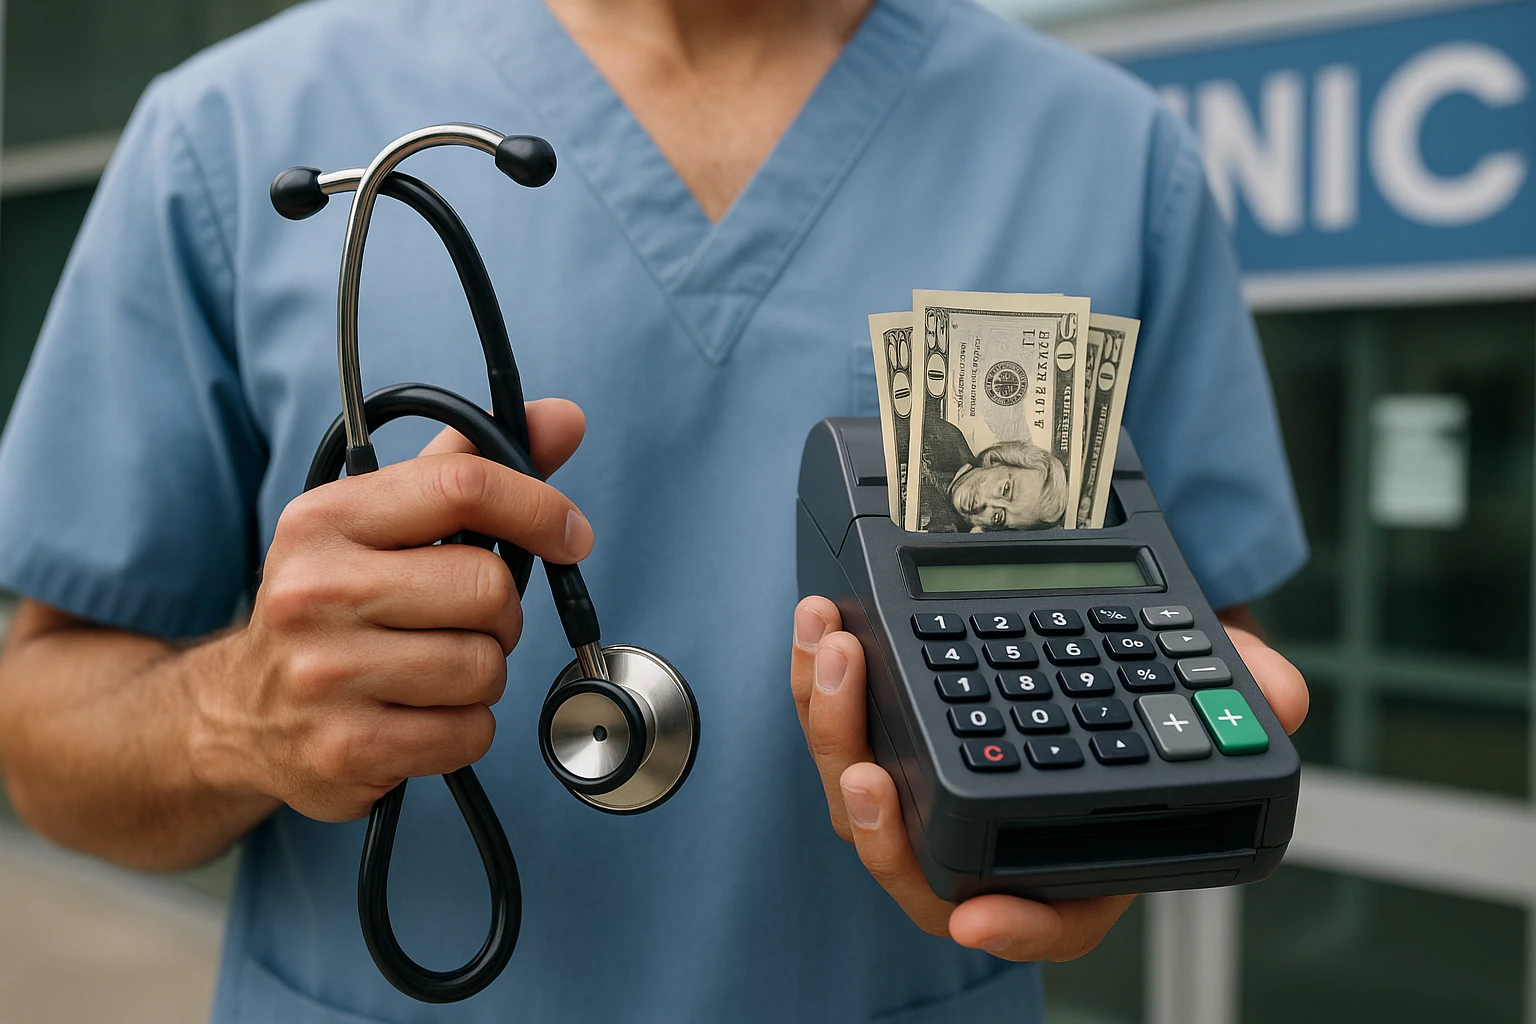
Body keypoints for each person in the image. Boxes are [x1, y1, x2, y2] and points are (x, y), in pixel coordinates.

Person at [0, 0, 1310, 1020]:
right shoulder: (234, 134)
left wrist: (1106, 836)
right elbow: (41, 728)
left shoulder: (1109, 155)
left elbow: (1200, 666)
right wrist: (235, 717)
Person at [914, 417, 1068, 532]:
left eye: (998, 517)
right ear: (997, 461)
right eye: (1005, 490)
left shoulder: (946, 536)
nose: (984, 506)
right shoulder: (944, 438)